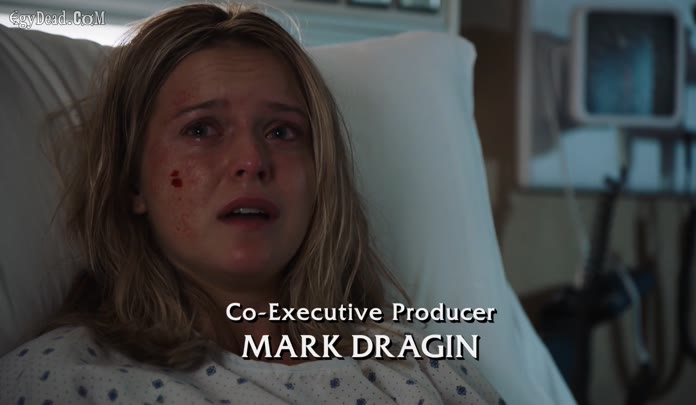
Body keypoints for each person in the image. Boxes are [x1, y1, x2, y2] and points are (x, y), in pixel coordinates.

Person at [0, 3, 505, 404]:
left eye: (282, 132)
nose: (251, 161)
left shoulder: (417, 368)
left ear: (319, 177)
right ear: (133, 182)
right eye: (202, 129)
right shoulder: (61, 381)